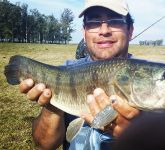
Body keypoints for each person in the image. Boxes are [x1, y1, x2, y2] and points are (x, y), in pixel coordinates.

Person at [19, 0, 140, 149]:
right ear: (84, 32)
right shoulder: (63, 74)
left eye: (115, 20)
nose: (104, 30)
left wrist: (141, 134)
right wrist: (53, 104)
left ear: (130, 30)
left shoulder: (152, 80)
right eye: (94, 21)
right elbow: (44, 145)